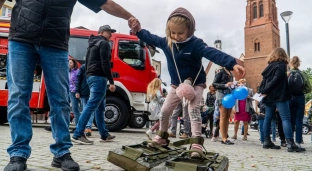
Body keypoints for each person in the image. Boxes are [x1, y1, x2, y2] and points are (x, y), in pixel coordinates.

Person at [1, 0, 137, 170]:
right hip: (21, 38)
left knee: (60, 99)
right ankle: (18, 154)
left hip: (55, 43)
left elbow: (105, 2)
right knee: (18, 96)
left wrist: (129, 16)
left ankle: (61, 152)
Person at [130, 7, 245, 157]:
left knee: (193, 110)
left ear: (189, 30)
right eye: (173, 33)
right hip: (176, 85)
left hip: (196, 83)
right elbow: (151, 37)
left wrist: (231, 63)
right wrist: (138, 30)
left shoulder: (196, 44)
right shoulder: (167, 42)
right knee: (165, 111)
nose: (177, 36)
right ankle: (162, 137)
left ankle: (196, 143)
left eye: (181, 33)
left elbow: (212, 53)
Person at [72, 25, 117, 144]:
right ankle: (78, 134)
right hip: (99, 77)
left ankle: (104, 134)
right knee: (91, 105)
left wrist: (88, 76)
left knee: (100, 107)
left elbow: (87, 63)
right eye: (109, 32)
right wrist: (111, 81)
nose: (111, 35)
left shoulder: (91, 44)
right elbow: (105, 63)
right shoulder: (104, 44)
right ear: (101, 32)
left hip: (91, 76)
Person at [259, 47, 305, 152]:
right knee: (286, 118)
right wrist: (265, 90)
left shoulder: (269, 66)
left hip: (269, 96)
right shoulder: (281, 66)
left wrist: (263, 91)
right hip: (279, 96)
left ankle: (266, 141)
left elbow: (264, 81)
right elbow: (275, 80)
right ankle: (290, 143)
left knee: (268, 118)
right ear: (283, 55)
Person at [288, 56, 312, 146]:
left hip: (290, 98)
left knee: (290, 120)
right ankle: (298, 142)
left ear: (290, 63)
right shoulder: (303, 74)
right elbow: (309, 88)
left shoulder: (287, 74)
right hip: (300, 97)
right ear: (299, 63)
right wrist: (302, 91)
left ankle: (290, 142)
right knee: (299, 120)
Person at [213, 67, 235, 145]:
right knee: (223, 116)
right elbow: (214, 84)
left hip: (229, 96)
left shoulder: (231, 73)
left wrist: (234, 85)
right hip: (222, 95)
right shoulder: (220, 71)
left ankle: (226, 136)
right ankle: (223, 138)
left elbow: (231, 85)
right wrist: (225, 85)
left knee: (227, 117)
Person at [69, 58, 81, 133]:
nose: (69, 64)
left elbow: (78, 82)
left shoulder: (77, 71)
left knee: (75, 110)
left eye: (70, 63)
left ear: (74, 63)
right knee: (66, 109)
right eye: (68, 63)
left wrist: (77, 91)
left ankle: (78, 127)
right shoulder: (69, 72)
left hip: (74, 92)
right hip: (69, 91)